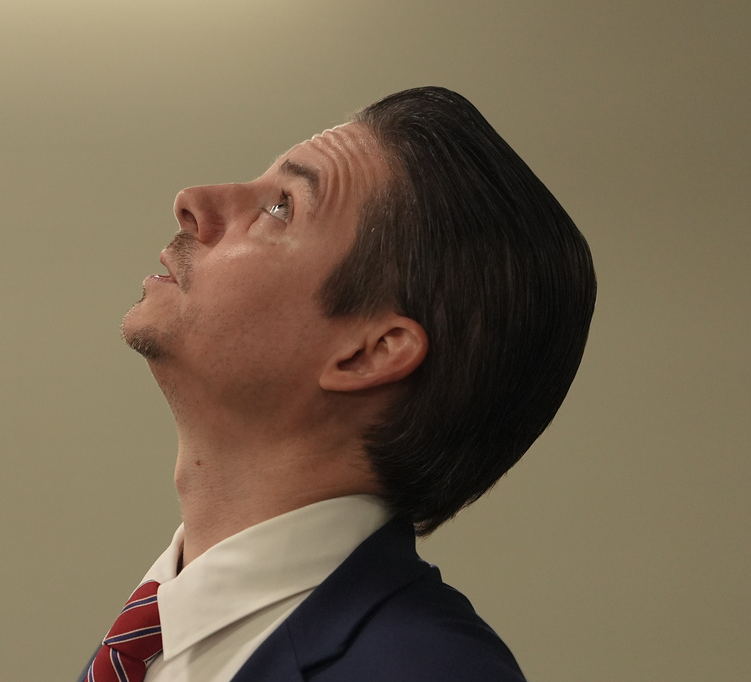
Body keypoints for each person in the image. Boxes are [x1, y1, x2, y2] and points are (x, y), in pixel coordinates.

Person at [79, 86, 595, 681]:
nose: (194, 201)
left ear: (369, 353)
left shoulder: (429, 672)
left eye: (281, 207)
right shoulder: (149, 643)